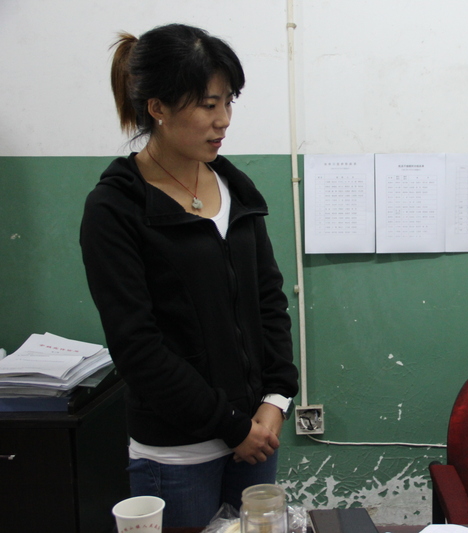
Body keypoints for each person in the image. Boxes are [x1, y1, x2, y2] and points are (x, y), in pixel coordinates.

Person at [80, 24, 298, 527]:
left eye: (228, 101)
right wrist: (231, 426)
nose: (223, 120)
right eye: (206, 104)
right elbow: (137, 347)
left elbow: (269, 301)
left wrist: (276, 398)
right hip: (177, 456)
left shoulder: (234, 187)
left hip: (256, 438)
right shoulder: (116, 208)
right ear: (157, 107)